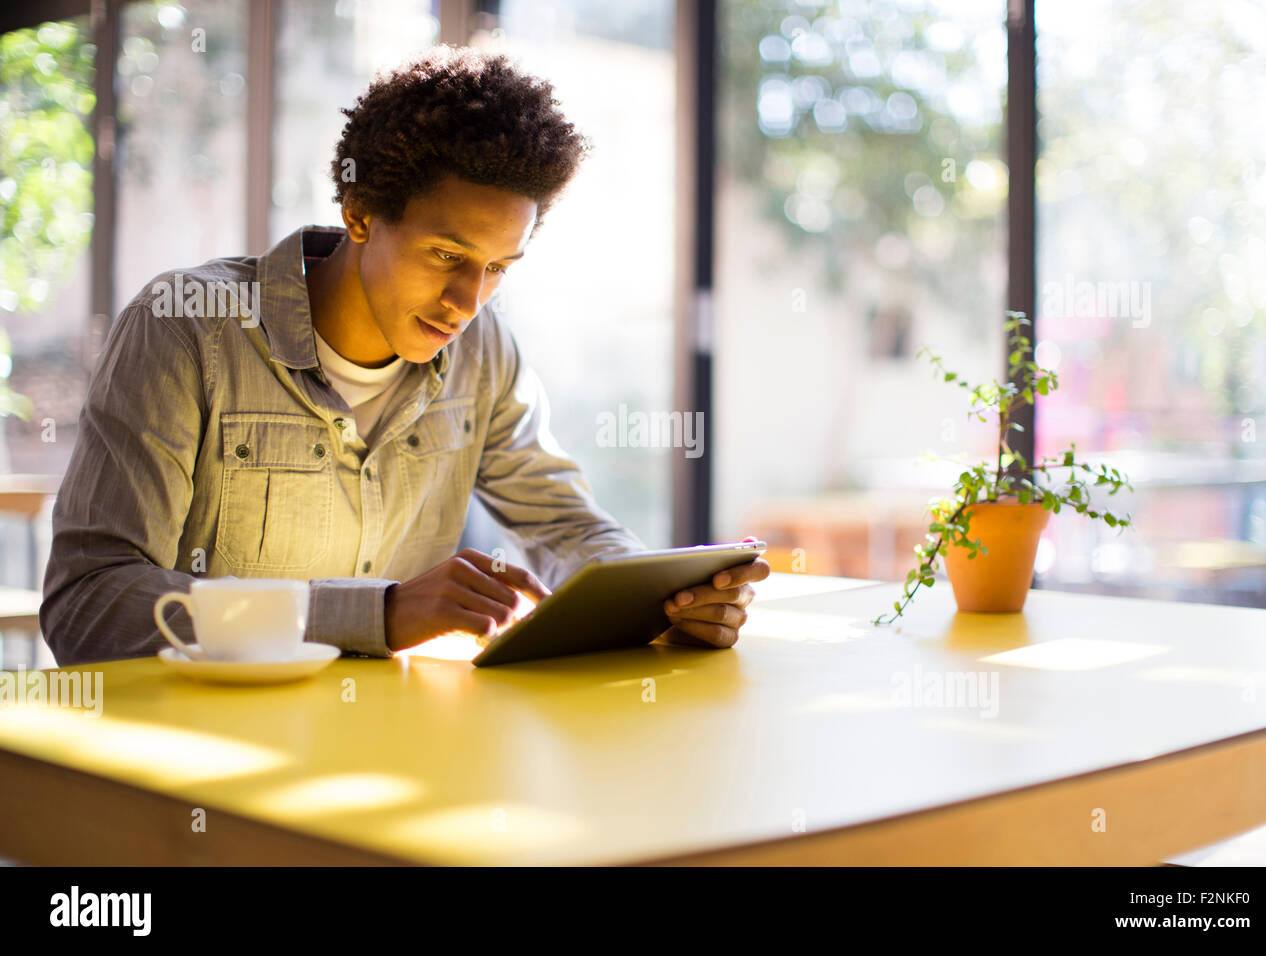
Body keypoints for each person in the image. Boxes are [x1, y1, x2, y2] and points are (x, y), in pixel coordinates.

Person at [41, 45, 767, 666]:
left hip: (391, 752)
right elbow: (89, 603)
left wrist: (664, 599)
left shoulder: (482, 351)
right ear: (359, 214)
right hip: (199, 768)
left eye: (497, 267)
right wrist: (374, 615)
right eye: (446, 254)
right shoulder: (186, 331)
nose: (467, 299)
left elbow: (565, 527)